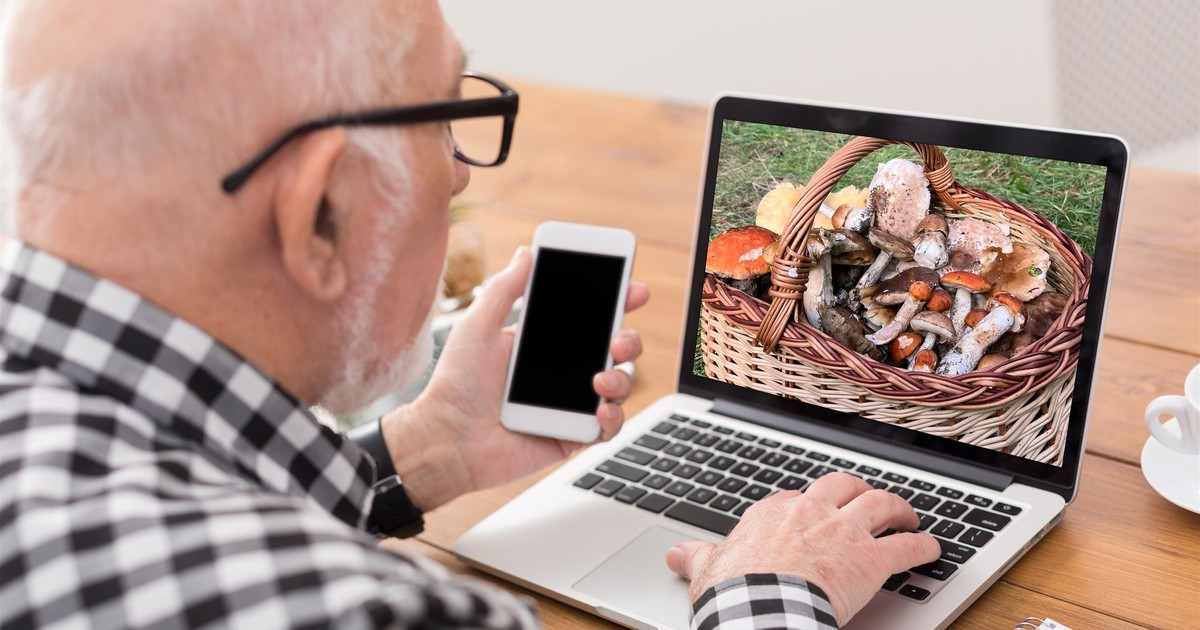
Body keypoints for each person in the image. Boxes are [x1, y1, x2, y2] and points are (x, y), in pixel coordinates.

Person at [0, 1, 940, 628]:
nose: (456, 172)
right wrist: (765, 592)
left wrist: (413, 457)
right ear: (319, 216)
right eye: (443, 121)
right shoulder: (362, 608)